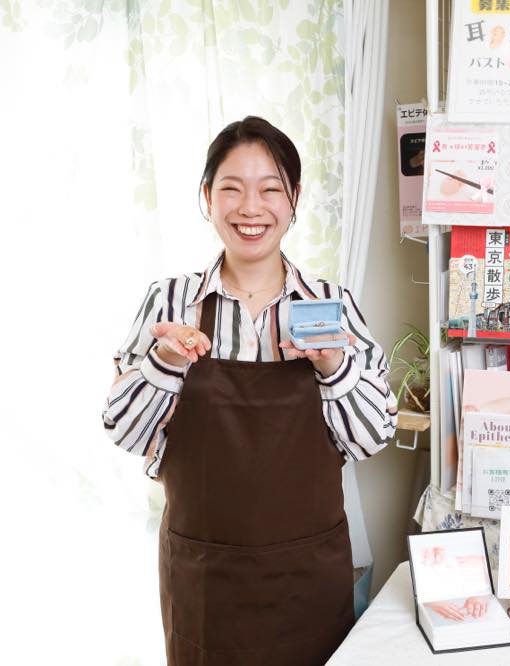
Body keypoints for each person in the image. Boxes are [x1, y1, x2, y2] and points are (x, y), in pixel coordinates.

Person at [102, 117, 396, 665]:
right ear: (207, 197)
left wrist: (333, 364)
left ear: (295, 199)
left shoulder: (331, 306)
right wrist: (166, 361)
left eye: (270, 189)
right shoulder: (169, 303)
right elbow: (123, 429)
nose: (250, 208)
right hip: (205, 580)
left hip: (308, 579)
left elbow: (372, 438)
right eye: (232, 188)